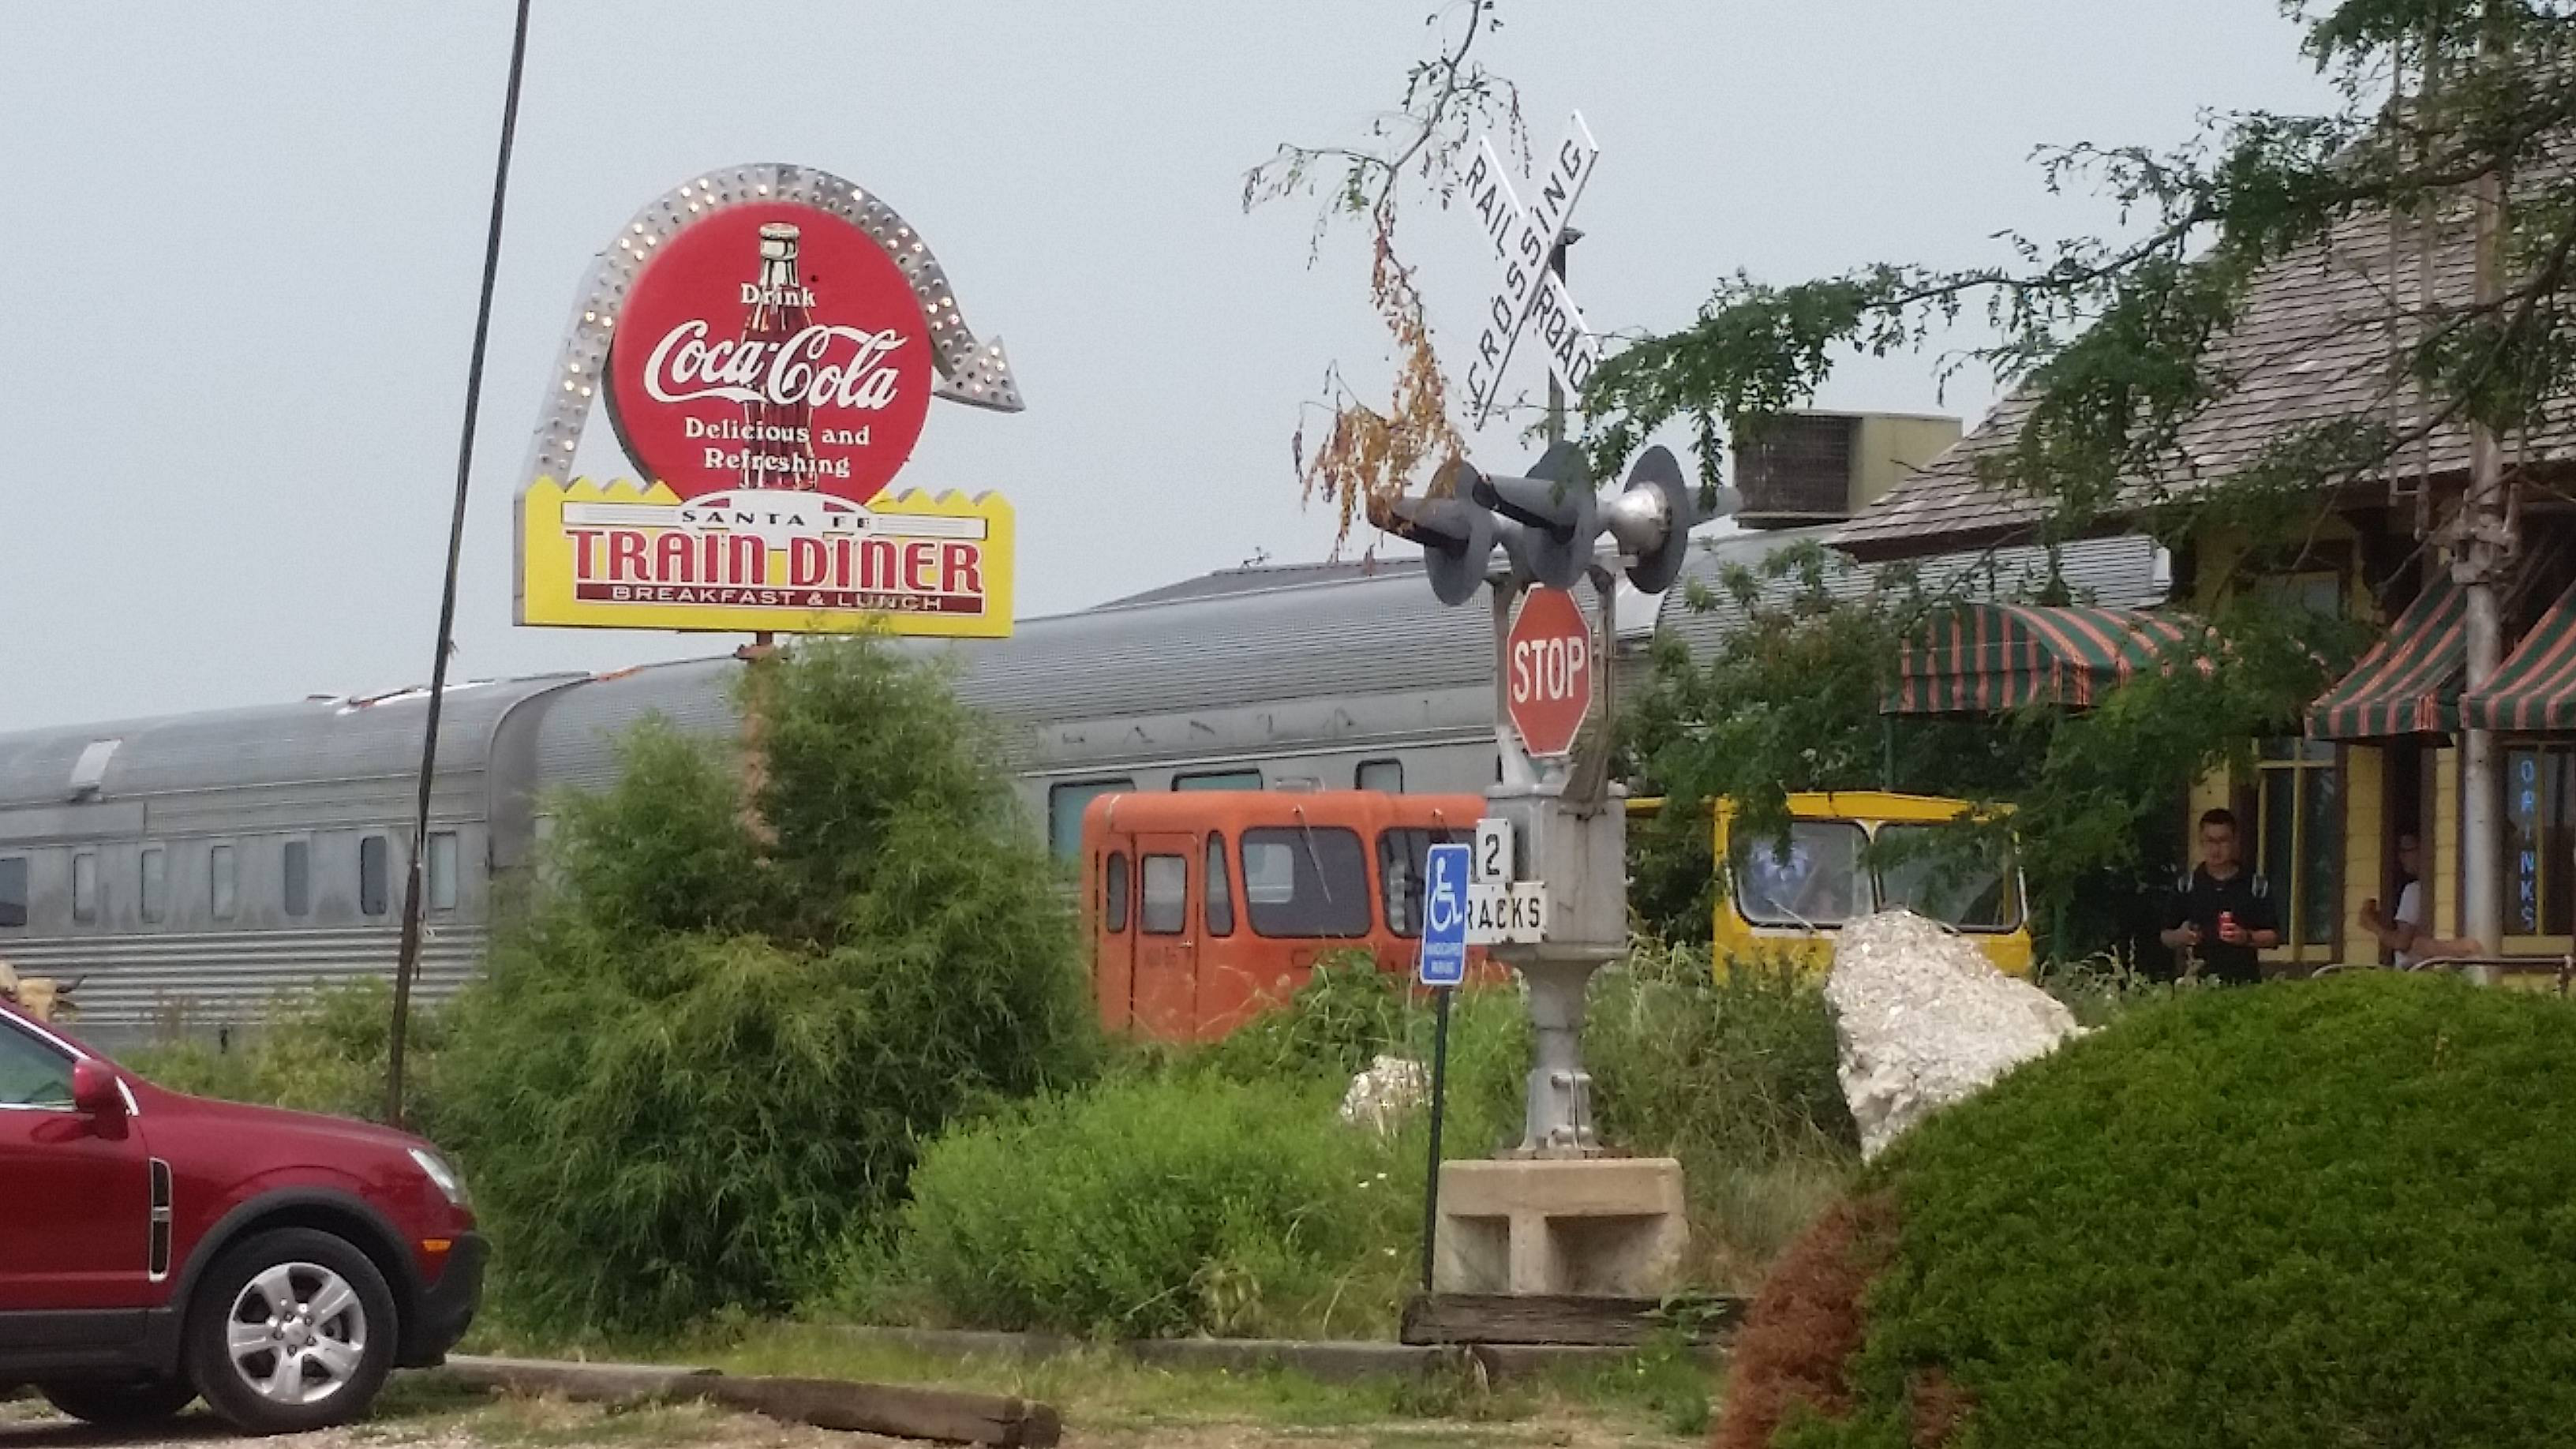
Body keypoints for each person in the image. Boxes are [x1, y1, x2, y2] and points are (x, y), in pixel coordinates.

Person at [2159, 808, 2280, 984]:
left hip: (2244, 984)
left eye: (2223, 841)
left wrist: (2246, 937)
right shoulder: (2186, 886)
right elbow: (2165, 936)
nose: (2216, 848)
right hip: (2197, 985)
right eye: (2210, 841)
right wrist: (2182, 936)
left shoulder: (2255, 886)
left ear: (2235, 841)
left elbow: (2274, 937)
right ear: (2201, 842)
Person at [2358, 831, 2482, 968]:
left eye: (2407, 851)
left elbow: (2402, 942)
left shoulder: (2413, 890)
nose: (2401, 857)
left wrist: (2371, 924)